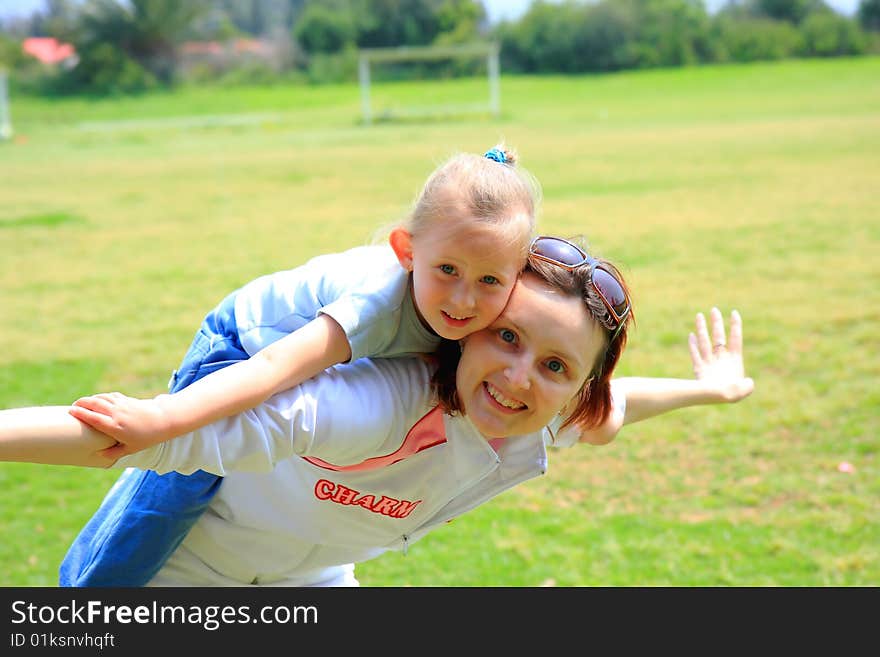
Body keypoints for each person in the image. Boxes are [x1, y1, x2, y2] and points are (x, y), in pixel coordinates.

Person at [0, 238, 754, 587]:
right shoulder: (381, 402)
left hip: (313, 574)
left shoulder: (543, 412)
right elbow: (151, 438)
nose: (520, 378)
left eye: (556, 366)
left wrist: (710, 389)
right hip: (189, 570)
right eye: (507, 337)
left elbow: (616, 406)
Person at [56, 144, 542, 586]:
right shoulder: (378, 307)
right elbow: (272, 368)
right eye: (447, 270)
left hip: (298, 361)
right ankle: (90, 593)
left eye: (489, 281)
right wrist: (160, 419)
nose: (463, 298)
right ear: (407, 251)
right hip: (246, 342)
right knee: (180, 485)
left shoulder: (494, 317)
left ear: (518, 278)